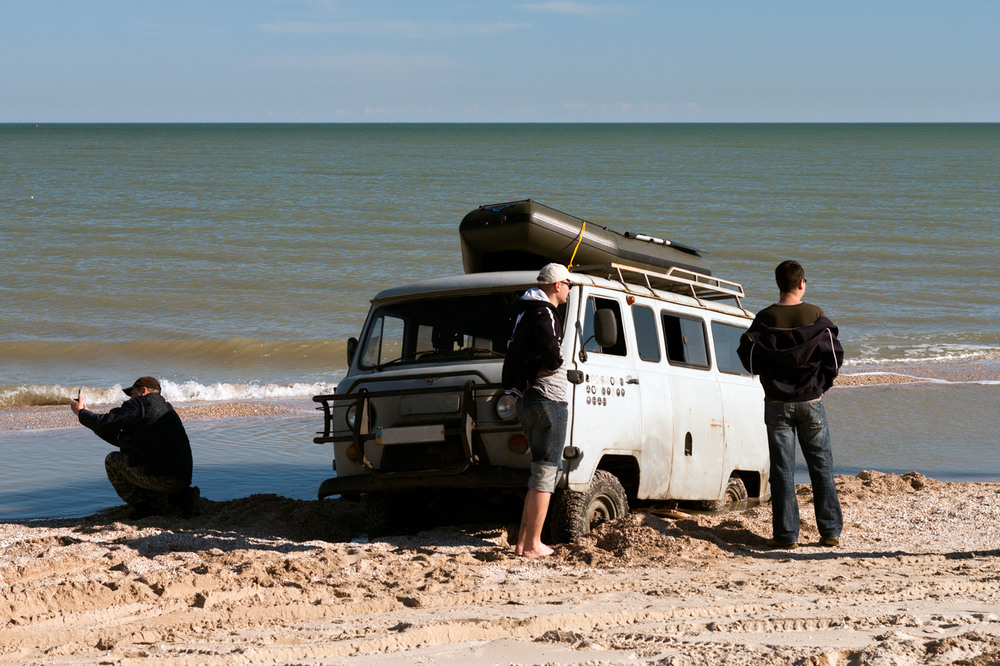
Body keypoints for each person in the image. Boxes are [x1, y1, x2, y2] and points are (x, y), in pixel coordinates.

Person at [738, 261, 844, 549]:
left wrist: (770, 378)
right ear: (801, 284)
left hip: (776, 403)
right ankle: (830, 532)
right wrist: (821, 385)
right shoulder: (815, 315)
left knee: (782, 470)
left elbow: (747, 357)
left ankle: (787, 535)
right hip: (811, 401)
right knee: (821, 466)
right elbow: (834, 359)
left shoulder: (764, 318)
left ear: (778, 284)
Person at [502, 263, 572, 558]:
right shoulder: (544, 313)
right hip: (548, 399)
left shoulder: (525, 310)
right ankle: (533, 544)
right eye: (568, 284)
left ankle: (522, 542)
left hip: (527, 399)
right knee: (546, 473)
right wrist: (552, 363)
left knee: (536, 474)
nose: (570, 289)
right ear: (557, 285)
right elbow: (553, 356)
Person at [70, 376, 198, 519]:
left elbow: (105, 423)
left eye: (132, 395)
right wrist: (89, 417)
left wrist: (81, 413)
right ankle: (176, 499)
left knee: (112, 460)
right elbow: (120, 439)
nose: (130, 399)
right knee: (140, 459)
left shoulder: (140, 404)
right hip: (182, 480)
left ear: (143, 391)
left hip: (162, 479)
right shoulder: (166, 409)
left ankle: (144, 507)